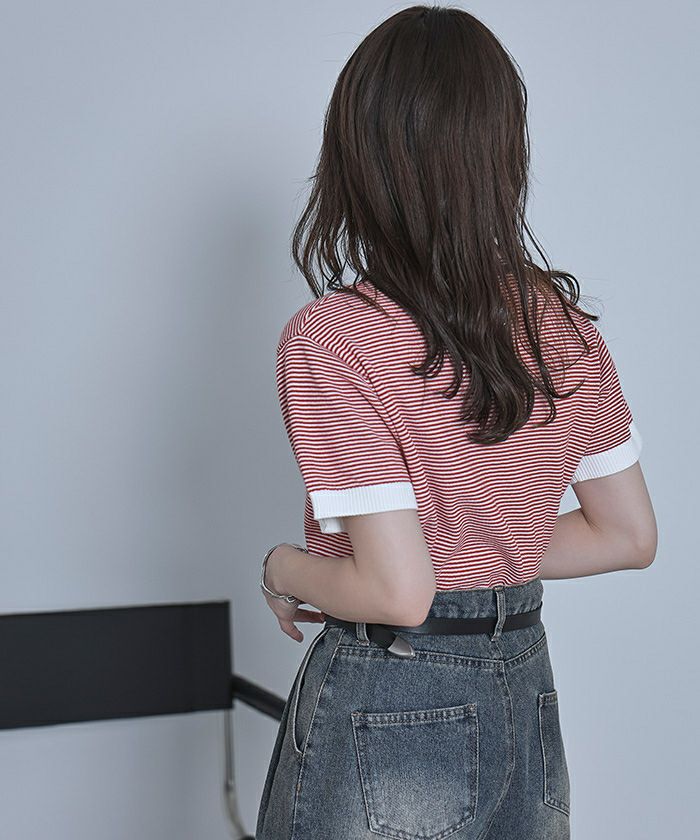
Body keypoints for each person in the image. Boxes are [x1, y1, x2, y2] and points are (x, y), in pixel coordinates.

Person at [255, 6, 657, 839]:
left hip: (392, 693)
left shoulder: (335, 337)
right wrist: (475, 550)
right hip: (523, 686)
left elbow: (397, 594)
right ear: (502, 153)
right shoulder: (562, 328)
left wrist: (284, 567)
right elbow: (626, 535)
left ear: (358, 153)